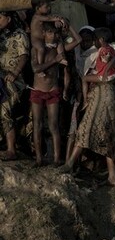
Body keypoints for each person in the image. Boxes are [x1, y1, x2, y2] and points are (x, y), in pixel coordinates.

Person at [61, 28, 115, 186]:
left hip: (104, 95)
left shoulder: (103, 52)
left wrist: (107, 68)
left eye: (93, 39)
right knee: (91, 129)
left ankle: (110, 175)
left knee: (100, 131)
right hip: (97, 96)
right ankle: (110, 175)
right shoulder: (92, 54)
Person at [30, 22, 68, 166]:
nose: (53, 36)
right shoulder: (37, 49)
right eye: (50, 32)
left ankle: (57, 159)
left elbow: (75, 43)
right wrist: (54, 61)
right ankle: (39, 158)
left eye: (55, 33)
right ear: (44, 33)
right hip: (37, 91)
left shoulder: (58, 48)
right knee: (37, 125)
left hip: (52, 90)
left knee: (53, 126)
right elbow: (35, 69)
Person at [0, 11, 30, 161]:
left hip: (13, 79)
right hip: (1, 77)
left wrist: (15, 72)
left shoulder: (19, 34)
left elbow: (24, 56)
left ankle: (11, 150)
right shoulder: (1, 35)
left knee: (4, 110)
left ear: (9, 18)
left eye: (0, 17)